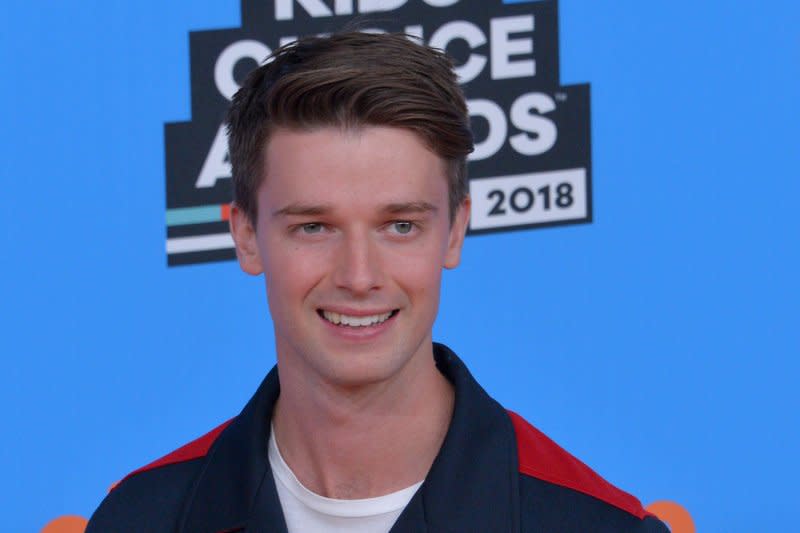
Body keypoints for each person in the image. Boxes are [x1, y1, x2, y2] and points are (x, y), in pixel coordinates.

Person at [87, 32, 668, 533]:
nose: (358, 276)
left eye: (400, 226)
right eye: (313, 226)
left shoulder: (596, 525)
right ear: (245, 236)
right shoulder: (141, 520)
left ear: (454, 232)